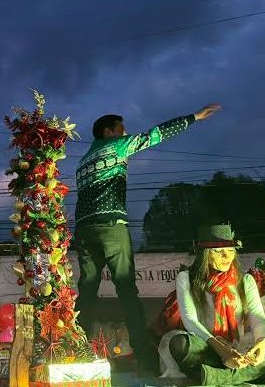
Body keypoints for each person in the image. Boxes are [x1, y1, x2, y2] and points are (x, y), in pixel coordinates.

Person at [73, 103, 221, 375]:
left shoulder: (83, 162)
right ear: (108, 132)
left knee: (87, 292)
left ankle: (74, 351)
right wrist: (194, 117)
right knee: (128, 292)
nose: (125, 132)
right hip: (111, 227)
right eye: (121, 129)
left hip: (83, 231)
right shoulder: (115, 146)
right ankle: (145, 358)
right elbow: (155, 134)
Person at [159, 224, 265, 385]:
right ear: (203, 254)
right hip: (208, 347)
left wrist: (262, 342)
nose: (226, 256)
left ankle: (223, 377)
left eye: (230, 250)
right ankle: (257, 374)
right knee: (179, 343)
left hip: (242, 348)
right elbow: (190, 320)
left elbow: (258, 318)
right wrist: (222, 350)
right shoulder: (186, 278)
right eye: (217, 251)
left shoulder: (245, 280)